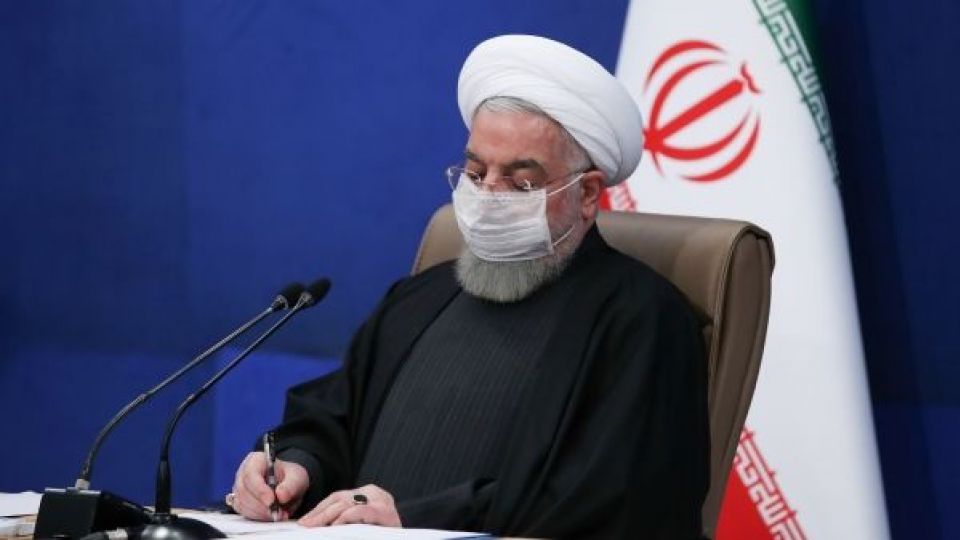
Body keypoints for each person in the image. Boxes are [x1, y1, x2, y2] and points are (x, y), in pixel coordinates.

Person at [227, 34, 709, 538]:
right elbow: (333, 420)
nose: (489, 194)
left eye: (521, 182)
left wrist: (415, 519)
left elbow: (616, 498)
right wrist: (297, 466)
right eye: (476, 172)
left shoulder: (642, 320)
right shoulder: (418, 300)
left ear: (587, 194)